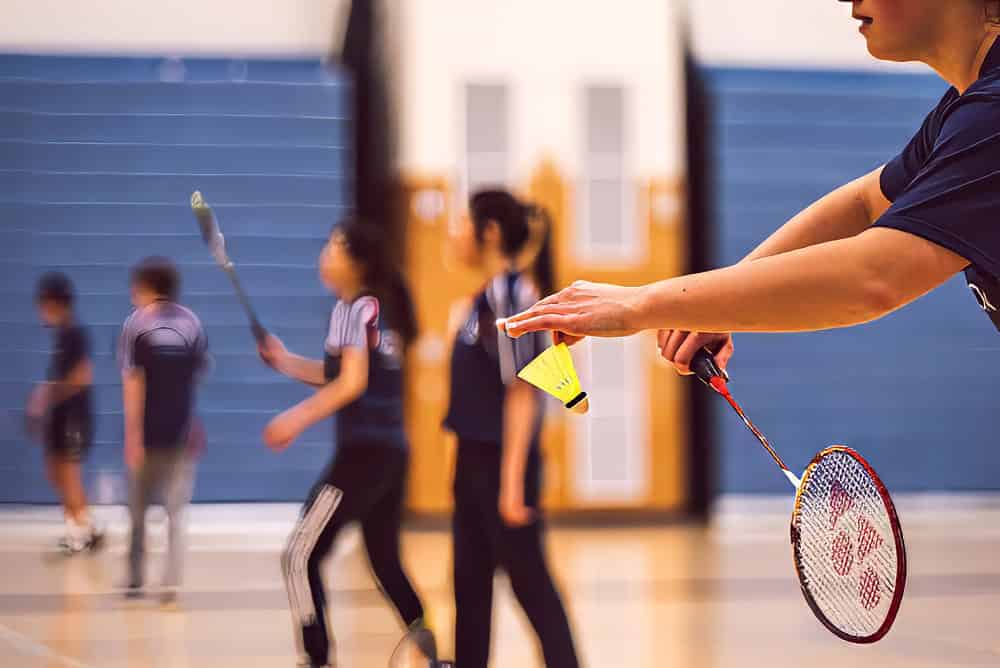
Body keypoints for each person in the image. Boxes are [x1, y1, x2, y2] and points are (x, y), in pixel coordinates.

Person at [502, 1, 1000, 371]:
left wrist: (639, 304)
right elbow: (865, 202)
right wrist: (713, 307)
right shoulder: (963, 111)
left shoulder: (992, 113)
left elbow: (875, 276)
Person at [257, 218, 430, 668]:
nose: (324, 255)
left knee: (299, 554)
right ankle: (431, 654)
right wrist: (287, 362)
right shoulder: (377, 309)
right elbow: (346, 375)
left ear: (357, 262)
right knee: (386, 564)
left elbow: (351, 383)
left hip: (362, 457)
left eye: (334, 248)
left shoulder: (353, 310)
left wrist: (294, 419)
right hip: (392, 454)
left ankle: (317, 660)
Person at [443, 189, 580, 668]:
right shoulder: (481, 297)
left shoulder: (513, 294)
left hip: (502, 466)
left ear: (491, 231)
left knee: (532, 587)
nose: (454, 231)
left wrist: (511, 484)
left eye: (463, 221)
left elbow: (524, 391)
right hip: (473, 464)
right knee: (469, 590)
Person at [118, 256, 207, 605]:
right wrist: (194, 424)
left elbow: (133, 382)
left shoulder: (136, 325)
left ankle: (136, 578)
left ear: (146, 287)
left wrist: (132, 435)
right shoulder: (192, 323)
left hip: (148, 433)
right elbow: (192, 380)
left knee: (137, 511)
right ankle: (171, 583)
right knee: (175, 511)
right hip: (182, 433)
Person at [29, 271, 103, 554]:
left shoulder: (75, 333)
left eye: (43, 304)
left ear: (55, 302)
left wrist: (47, 393)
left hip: (74, 416)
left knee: (69, 474)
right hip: (60, 416)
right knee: (55, 472)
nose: (40, 311)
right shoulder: (62, 335)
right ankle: (87, 528)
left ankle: (78, 533)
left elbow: (83, 376)